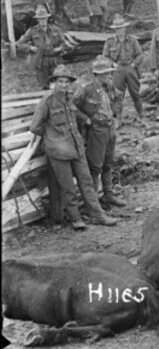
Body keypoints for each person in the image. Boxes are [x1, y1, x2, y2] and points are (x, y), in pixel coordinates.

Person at [29, 65, 118, 230]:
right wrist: (51, 136)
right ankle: (75, 219)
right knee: (68, 187)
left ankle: (98, 215)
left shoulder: (69, 97)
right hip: (58, 150)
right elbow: (35, 126)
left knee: (86, 182)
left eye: (66, 82)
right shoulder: (47, 100)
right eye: (60, 81)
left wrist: (86, 120)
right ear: (54, 82)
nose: (63, 84)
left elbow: (75, 113)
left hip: (76, 146)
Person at [73, 56, 127, 208]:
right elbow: (72, 107)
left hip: (110, 127)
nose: (107, 76)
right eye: (103, 74)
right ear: (96, 74)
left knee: (108, 164)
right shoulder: (85, 89)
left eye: (108, 73)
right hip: (96, 130)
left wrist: (115, 112)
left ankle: (108, 195)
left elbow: (119, 96)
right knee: (95, 166)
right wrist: (86, 119)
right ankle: (93, 201)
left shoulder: (108, 85)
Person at [102, 14, 145, 127]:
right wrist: (113, 63)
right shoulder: (110, 42)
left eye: (121, 28)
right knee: (117, 95)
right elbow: (105, 57)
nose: (119, 31)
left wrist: (134, 64)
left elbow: (140, 54)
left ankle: (141, 114)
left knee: (135, 92)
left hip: (130, 68)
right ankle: (118, 118)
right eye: (117, 29)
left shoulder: (132, 41)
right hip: (118, 69)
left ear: (125, 28)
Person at [15, 5, 71, 89]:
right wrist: (30, 48)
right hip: (41, 61)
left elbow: (65, 44)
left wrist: (59, 48)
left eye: (44, 18)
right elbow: (19, 44)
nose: (43, 21)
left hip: (56, 60)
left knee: (59, 84)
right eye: (40, 19)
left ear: (47, 18)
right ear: (37, 19)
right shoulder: (32, 31)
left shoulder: (56, 29)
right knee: (44, 85)